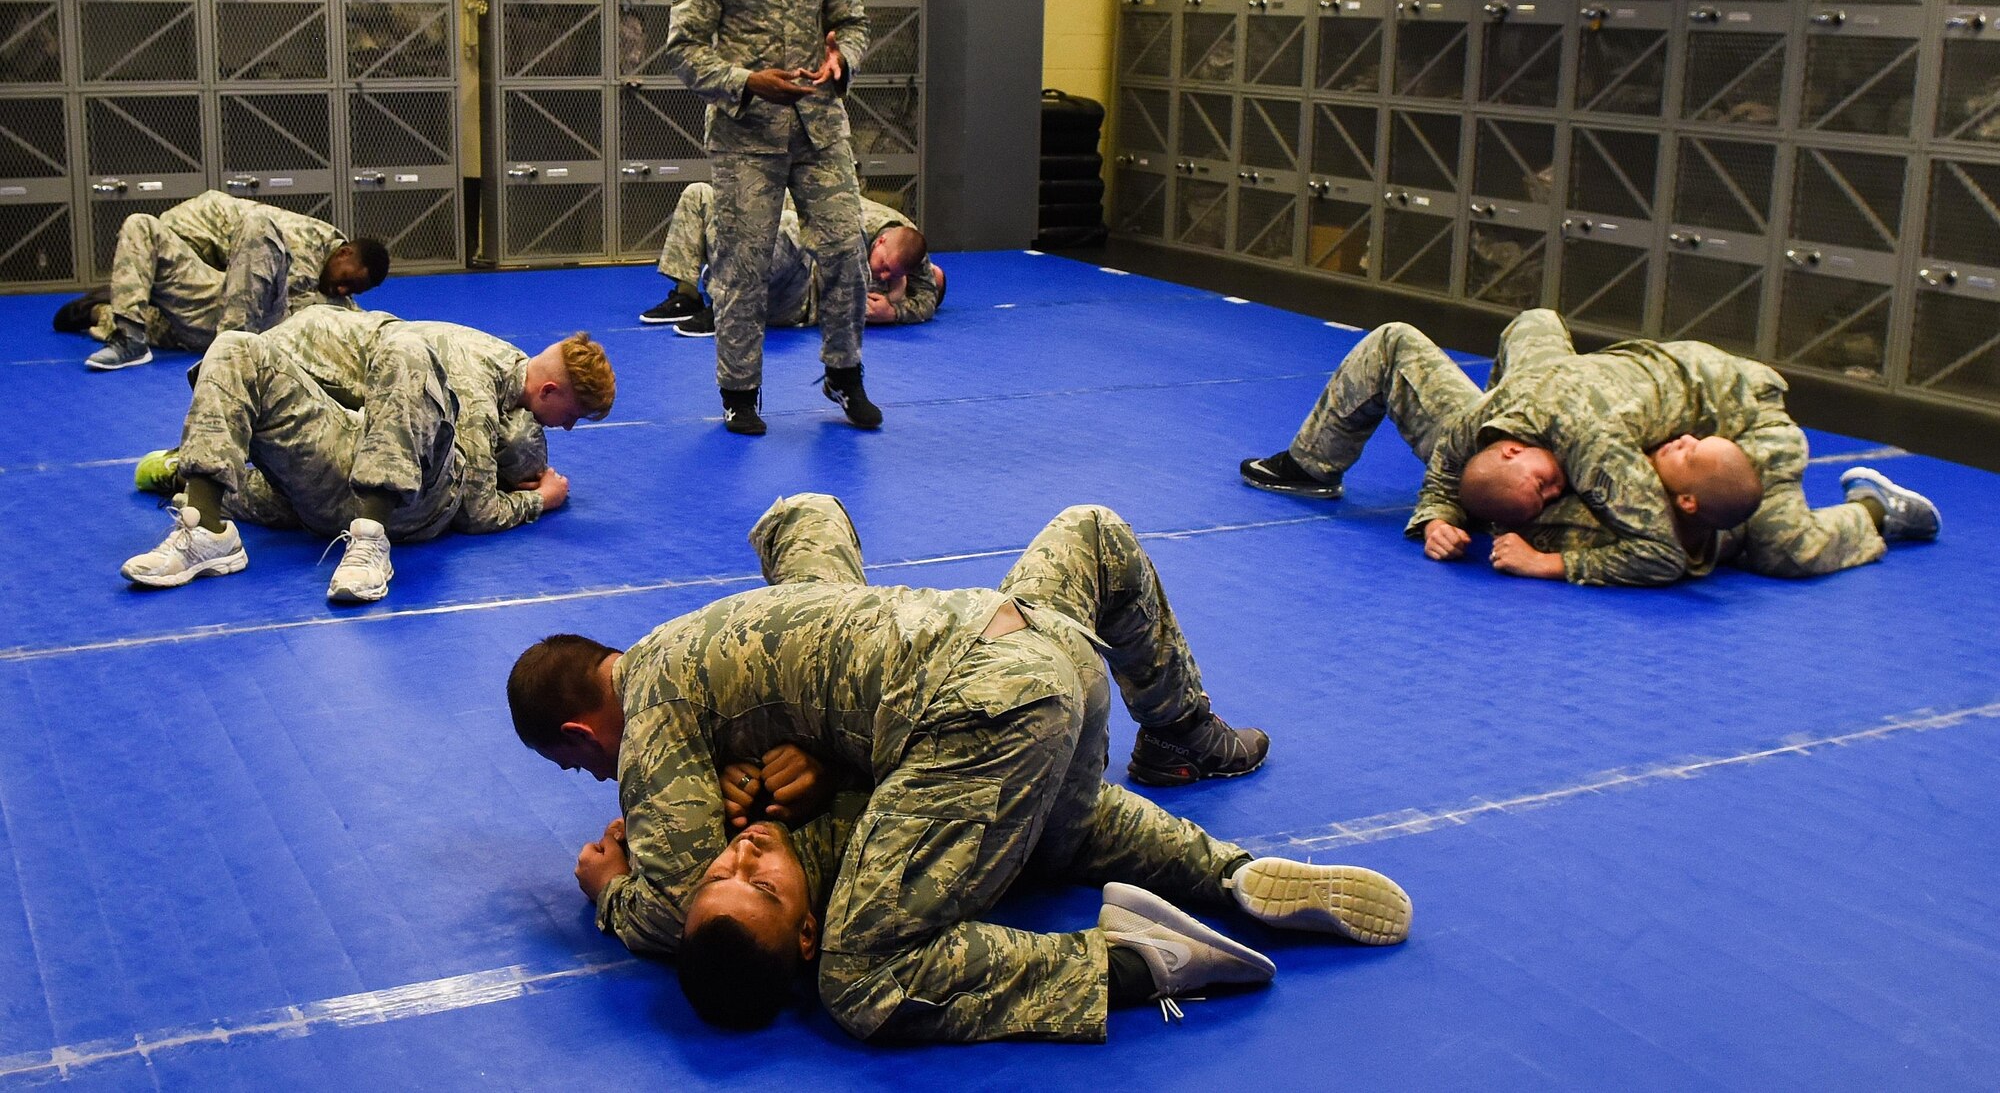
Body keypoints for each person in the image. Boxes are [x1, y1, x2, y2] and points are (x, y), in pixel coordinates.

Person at [508, 494, 1412, 1043]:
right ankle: (1196, 773)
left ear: (585, 731)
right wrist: (786, 768)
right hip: (1036, 643)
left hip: (982, 705)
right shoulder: (743, 636)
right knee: (1089, 540)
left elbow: (674, 910)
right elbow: (814, 516)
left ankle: (1137, 965)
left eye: (579, 766)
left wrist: (608, 887)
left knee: (859, 980)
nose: (598, 783)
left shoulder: (658, 707)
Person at [1239, 310, 1938, 586]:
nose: (1549, 492)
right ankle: (1310, 464)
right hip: (1585, 384)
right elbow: (1453, 464)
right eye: (1543, 485)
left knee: (1781, 546)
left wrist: (1553, 561)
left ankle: (1874, 511)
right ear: (1506, 447)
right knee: (1422, 338)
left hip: (1733, 408)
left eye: (1547, 484)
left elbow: (1664, 551)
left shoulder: (1595, 449)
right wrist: (1437, 516)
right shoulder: (1484, 426)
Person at [121, 312, 613, 602]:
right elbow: (477, 513)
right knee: (234, 345)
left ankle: (358, 531)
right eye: (573, 415)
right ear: (550, 390)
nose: (567, 427)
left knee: (403, 358)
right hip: (407, 503)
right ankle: (206, 527)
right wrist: (540, 501)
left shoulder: (502, 366)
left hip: (355, 474)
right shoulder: (473, 382)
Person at [662, 0, 876, 437]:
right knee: (743, 265)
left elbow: (852, 21)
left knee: (843, 251)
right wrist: (749, 80)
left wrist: (843, 61)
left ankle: (844, 373)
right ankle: (740, 391)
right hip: (746, 136)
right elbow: (683, 51)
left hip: (820, 127)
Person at [54, 190, 390, 371]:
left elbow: (360, 324)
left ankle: (101, 312)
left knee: (168, 326)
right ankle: (130, 339)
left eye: (353, 291)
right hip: (229, 301)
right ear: (343, 253)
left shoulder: (339, 295)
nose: (342, 290)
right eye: (346, 281)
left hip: (243, 323)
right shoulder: (306, 240)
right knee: (141, 223)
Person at [639, 183, 945, 332]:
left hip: (798, 291)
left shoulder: (907, 248)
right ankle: (688, 295)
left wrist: (894, 312)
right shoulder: (853, 219)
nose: (885, 275)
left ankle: (728, 307)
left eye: (893, 274)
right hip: (778, 246)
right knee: (699, 194)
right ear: (879, 241)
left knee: (787, 226)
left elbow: (928, 298)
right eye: (885, 268)